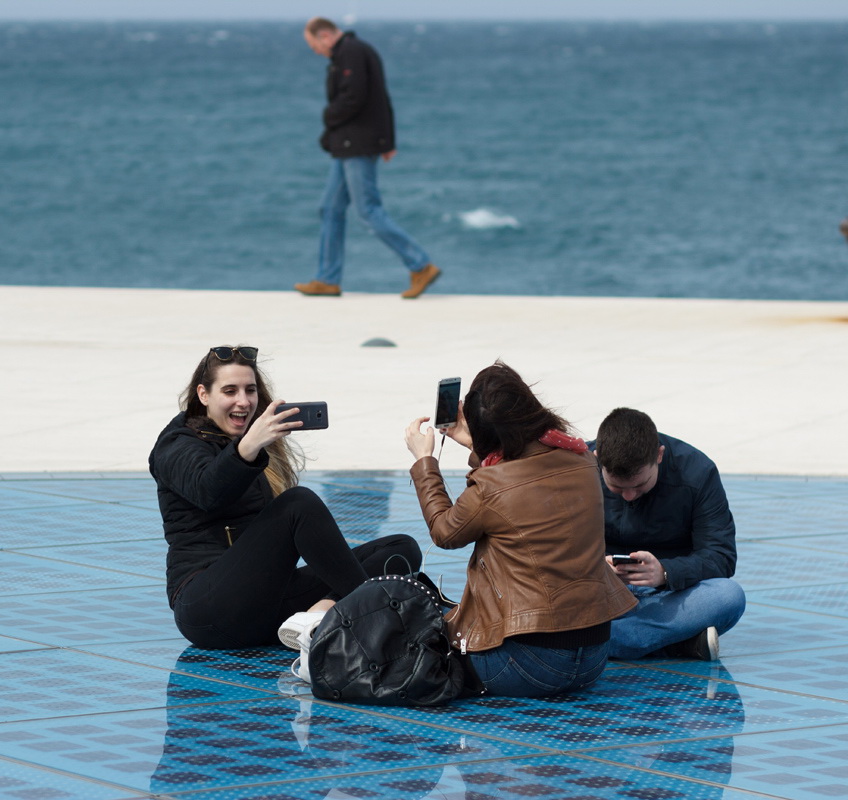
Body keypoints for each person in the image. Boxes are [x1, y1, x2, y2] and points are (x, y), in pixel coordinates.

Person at [149, 345, 422, 650]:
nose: (243, 401)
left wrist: (249, 445)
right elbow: (208, 490)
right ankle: (370, 617)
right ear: (203, 395)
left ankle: (320, 615)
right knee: (298, 503)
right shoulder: (176, 444)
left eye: (250, 390)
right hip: (208, 609)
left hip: (265, 605)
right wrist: (247, 448)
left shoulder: (248, 441)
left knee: (400, 550)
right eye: (229, 390)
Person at [404, 362, 636, 697]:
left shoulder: (491, 486)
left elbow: (445, 532)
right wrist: (477, 444)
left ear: (488, 434)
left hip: (525, 665)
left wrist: (423, 462)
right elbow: (520, 471)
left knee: (415, 605)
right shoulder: (584, 460)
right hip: (594, 658)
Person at [294, 17, 440, 300]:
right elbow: (380, 97)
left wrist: (328, 117)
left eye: (313, 45)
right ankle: (327, 279)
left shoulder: (351, 52)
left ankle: (420, 264)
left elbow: (355, 98)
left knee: (368, 211)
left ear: (324, 35)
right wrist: (388, 140)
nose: (315, 51)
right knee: (330, 209)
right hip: (349, 145)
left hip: (357, 145)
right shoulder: (351, 51)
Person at [592, 408, 746, 661]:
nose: (629, 495)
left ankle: (587, 644)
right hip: (599, 592)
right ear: (597, 460)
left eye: (640, 485)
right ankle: (675, 643)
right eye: (617, 487)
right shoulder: (576, 469)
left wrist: (665, 572)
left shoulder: (698, 472)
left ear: (659, 456)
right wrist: (595, 569)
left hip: (670, 596)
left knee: (728, 596)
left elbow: (721, 556)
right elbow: (548, 548)